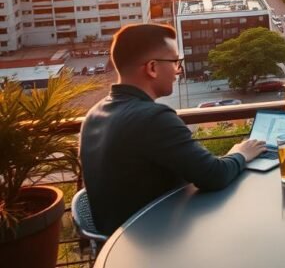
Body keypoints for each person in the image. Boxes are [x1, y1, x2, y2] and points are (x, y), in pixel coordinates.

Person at [79, 24, 266, 236]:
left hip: (119, 238)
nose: (179, 71)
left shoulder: (94, 113)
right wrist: (241, 153)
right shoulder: (153, 118)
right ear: (152, 68)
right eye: (175, 62)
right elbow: (214, 175)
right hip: (158, 242)